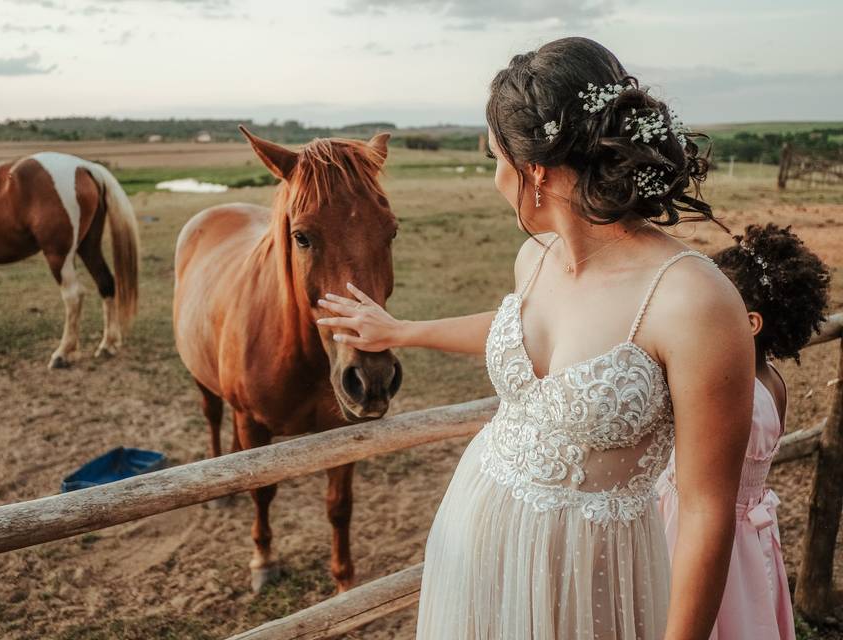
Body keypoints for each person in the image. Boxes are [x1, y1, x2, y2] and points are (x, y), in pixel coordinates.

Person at [317, 37, 756, 639]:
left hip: (592, 577)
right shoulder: (534, 258)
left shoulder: (692, 301)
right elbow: (520, 334)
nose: (496, 178)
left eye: (497, 159)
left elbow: (708, 511)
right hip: (474, 543)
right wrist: (402, 331)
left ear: (536, 172)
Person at [658, 224, 830, 640]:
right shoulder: (772, 380)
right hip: (749, 540)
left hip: (697, 528)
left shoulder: (724, 389)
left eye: (709, 304)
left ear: (749, 322)